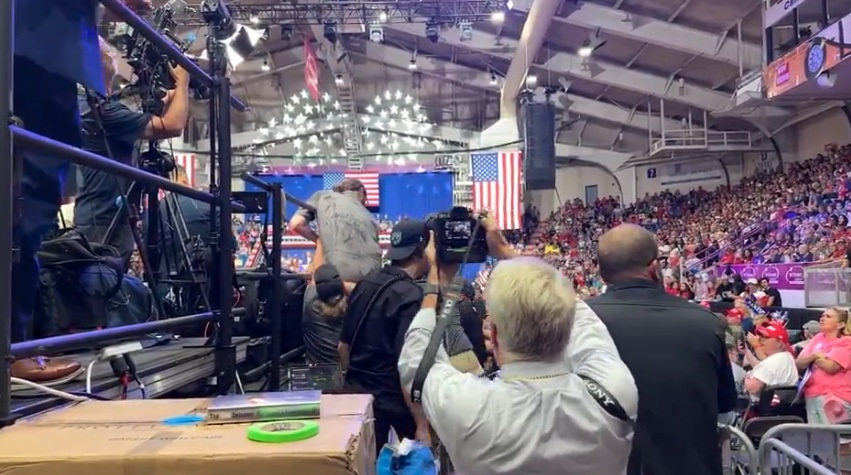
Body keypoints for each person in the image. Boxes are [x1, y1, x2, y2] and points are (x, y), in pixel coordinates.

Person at [398, 216, 637, 475]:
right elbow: (578, 313)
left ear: (496, 338)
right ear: (568, 330)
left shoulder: (469, 407)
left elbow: (417, 358)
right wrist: (506, 252)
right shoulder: (613, 393)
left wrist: (435, 282)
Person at [9, 0, 148, 381]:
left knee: (26, 202)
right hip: (37, 49)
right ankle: (12, 349)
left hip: (31, 46)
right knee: (27, 201)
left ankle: (15, 345)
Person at [585, 224, 737, 475]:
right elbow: (725, 406)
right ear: (655, 267)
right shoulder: (706, 322)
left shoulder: (578, 321)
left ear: (601, 273)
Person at [74, 37, 190, 260]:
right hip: (104, 221)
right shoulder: (98, 109)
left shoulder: (96, 104)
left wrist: (169, 93)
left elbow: (168, 110)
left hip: (109, 215)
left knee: (109, 286)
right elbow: (173, 125)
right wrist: (183, 79)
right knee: (103, 286)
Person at [337, 219, 430, 451]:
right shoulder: (411, 295)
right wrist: (422, 423)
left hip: (356, 399)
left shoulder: (364, 283)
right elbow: (408, 367)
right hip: (394, 409)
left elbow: (343, 348)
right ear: (421, 250)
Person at [296, 178, 381, 363]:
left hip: (329, 291)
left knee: (324, 363)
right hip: (363, 296)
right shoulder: (372, 219)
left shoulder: (323, 196)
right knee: (353, 356)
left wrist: (319, 239)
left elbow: (296, 224)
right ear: (362, 194)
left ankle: (325, 384)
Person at [796, 307, 851, 423]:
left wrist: (811, 357)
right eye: (822, 316)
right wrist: (816, 356)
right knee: (818, 437)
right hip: (812, 394)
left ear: (840, 324)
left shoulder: (846, 342)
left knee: (838, 439)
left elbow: (831, 367)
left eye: (828, 316)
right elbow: (799, 362)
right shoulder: (818, 338)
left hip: (835, 397)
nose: (822, 319)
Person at [742, 322, 798, 400]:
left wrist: (744, 378)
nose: (760, 340)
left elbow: (753, 388)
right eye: (760, 337)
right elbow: (763, 368)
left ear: (779, 343)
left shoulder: (771, 363)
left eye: (766, 337)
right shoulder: (787, 357)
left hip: (759, 407)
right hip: (779, 406)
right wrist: (746, 352)